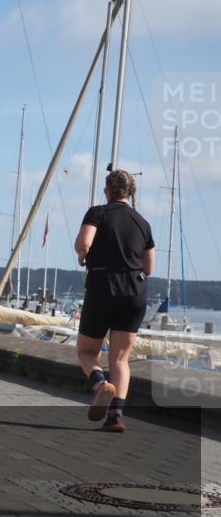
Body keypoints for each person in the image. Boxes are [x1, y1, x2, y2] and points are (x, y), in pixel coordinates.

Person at [74, 169, 155, 433]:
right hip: (135, 292)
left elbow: (84, 243)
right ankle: (115, 416)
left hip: (102, 287)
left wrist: (82, 255)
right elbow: (149, 267)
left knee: (87, 351)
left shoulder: (97, 212)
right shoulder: (143, 222)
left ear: (108, 191)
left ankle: (100, 384)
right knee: (120, 359)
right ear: (130, 193)